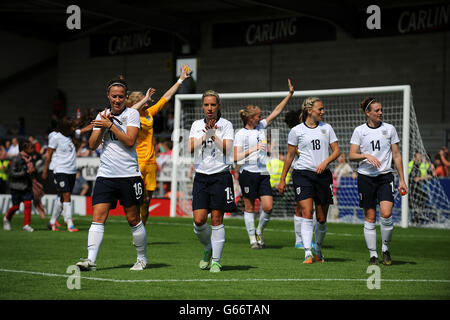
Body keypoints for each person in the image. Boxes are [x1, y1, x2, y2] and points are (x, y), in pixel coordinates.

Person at [76, 75, 147, 272]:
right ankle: (91, 260)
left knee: (133, 219)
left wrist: (111, 126)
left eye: (121, 97)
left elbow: (130, 140)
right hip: (106, 175)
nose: (117, 100)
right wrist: (102, 126)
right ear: (108, 96)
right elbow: (91, 145)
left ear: (125, 98)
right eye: (114, 96)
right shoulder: (102, 115)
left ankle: (142, 258)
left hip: (128, 175)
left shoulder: (132, 115)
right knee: (97, 217)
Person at [278, 97, 340, 264]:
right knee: (307, 212)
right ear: (309, 111)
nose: (323, 111)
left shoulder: (327, 128)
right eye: (320, 109)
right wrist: (282, 179)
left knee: (321, 218)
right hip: (302, 174)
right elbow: (290, 156)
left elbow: (337, 151)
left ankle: (318, 249)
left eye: (323, 108)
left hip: (323, 176)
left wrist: (325, 162)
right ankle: (307, 253)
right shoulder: (296, 131)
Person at [126, 65, 190, 225]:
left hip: (151, 163)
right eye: (143, 99)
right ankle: (135, 226)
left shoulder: (149, 114)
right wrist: (143, 100)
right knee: (137, 197)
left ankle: (142, 228)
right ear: (136, 102)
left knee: (147, 199)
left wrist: (180, 80)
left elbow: (166, 97)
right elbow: (128, 112)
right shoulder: (130, 116)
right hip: (137, 163)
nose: (147, 101)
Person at [234, 79, 294, 249]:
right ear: (250, 118)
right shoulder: (241, 134)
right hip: (247, 173)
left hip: (263, 173)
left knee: (268, 207)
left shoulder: (261, 126)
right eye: (258, 116)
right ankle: (252, 239)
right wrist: (253, 149)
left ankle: (259, 231)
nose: (261, 118)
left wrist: (289, 94)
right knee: (249, 206)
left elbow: (276, 111)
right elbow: (236, 156)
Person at [349, 97, 408, 266]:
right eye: (377, 110)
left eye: (381, 110)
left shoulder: (389, 129)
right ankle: (373, 254)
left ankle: (385, 249)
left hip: (385, 176)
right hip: (365, 177)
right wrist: (366, 155)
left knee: (387, 214)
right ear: (368, 113)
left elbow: (396, 155)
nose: (380, 112)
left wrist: (402, 180)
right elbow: (352, 155)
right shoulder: (360, 131)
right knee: (370, 216)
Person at [188, 89, 235, 273]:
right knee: (199, 220)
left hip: (220, 176)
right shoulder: (196, 125)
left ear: (219, 106)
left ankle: (216, 260)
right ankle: (208, 248)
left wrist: (214, 135)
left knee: (216, 219)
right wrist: (205, 135)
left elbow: (228, 150)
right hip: (201, 177)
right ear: (202, 106)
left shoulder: (227, 125)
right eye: (206, 104)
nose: (209, 108)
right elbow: (190, 148)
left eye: (213, 104)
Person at [42, 116, 79, 232]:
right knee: (66, 195)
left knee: (62, 196)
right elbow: (49, 155)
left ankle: (52, 222)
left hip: (70, 170)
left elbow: (83, 128)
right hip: (58, 169)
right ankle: (70, 223)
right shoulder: (54, 136)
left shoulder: (71, 135)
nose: (73, 127)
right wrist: (45, 170)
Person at [3, 141, 35, 232]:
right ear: (24, 149)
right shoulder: (17, 159)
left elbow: (31, 171)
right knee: (16, 207)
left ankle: (26, 225)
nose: (32, 149)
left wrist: (33, 171)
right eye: (30, 147)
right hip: (16, 186)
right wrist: (25, 173)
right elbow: (12, 173)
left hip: (27, 185)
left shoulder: (31, 159)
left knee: (28, 204)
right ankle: (7, 219)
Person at [408, 151, 432, 223]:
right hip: (411, 187)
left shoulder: (425, 165)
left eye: (420, 157)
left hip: (421, 188)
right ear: (414, 157)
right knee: (410, 204)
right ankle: (411, 219)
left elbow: (430, 175)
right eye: (418, 157)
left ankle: (417, 219)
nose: (419, 159)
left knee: (419, 205)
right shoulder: (410, 164)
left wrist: (420, 178)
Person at [331, 153, 356, 220]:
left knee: (338, 202)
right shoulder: (338, 166)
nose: (339, 158)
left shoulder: (347, 166)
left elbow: (352, 174)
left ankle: (337, 217)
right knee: (334, 202)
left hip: (343, 188)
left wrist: (346, 174)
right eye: (339, 157)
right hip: (335, 188)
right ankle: (334, 217)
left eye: (341, 157)